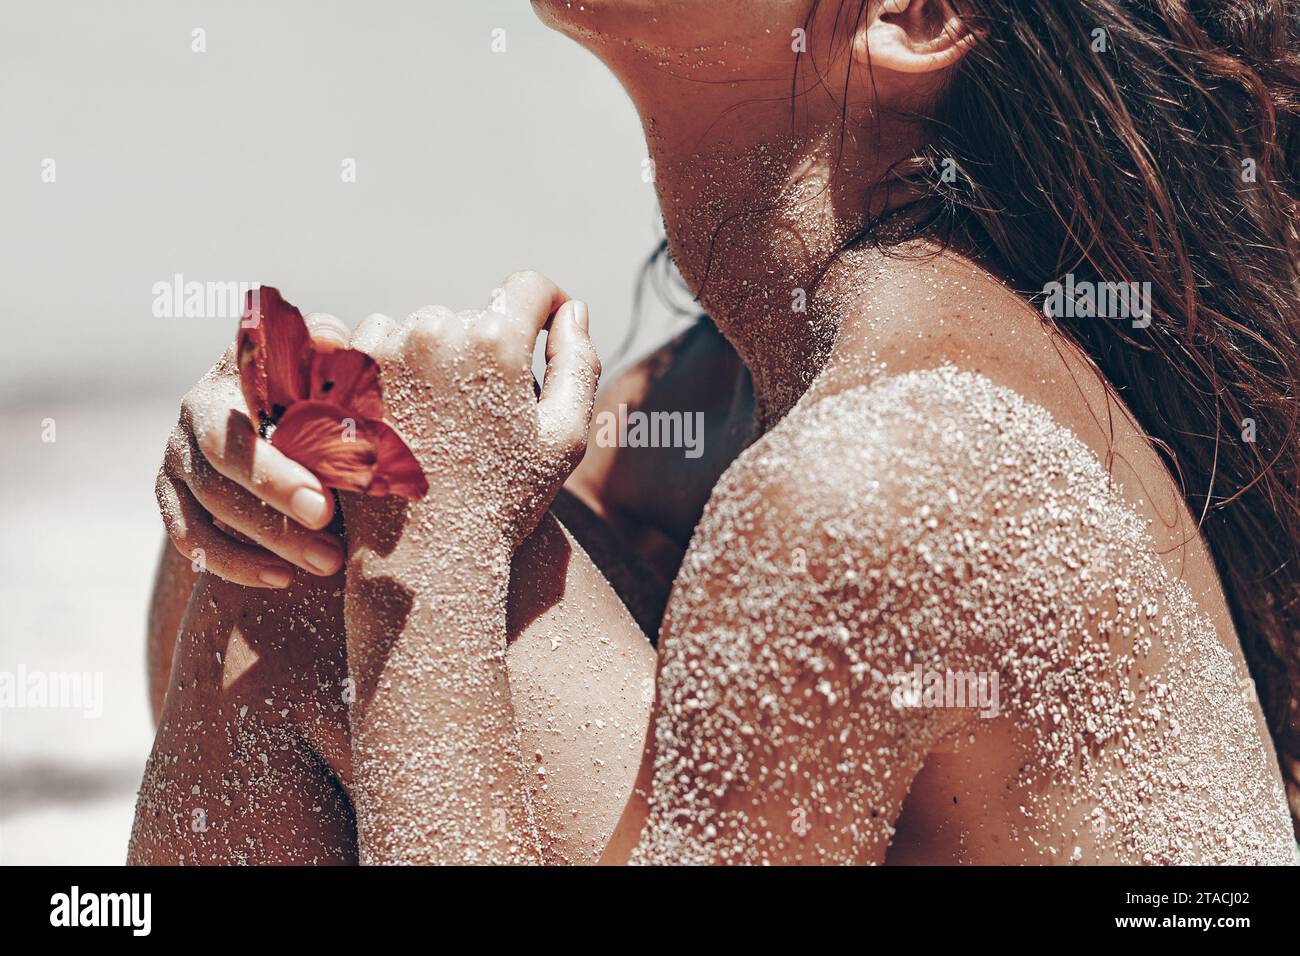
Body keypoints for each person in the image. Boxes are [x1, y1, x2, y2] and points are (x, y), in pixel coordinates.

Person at [130, 0, 1300, 864]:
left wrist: (418, 555)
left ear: (909, 16)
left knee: (320, 597)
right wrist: (293, 446)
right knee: (288, 548)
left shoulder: (868, 475)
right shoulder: (768, 372)